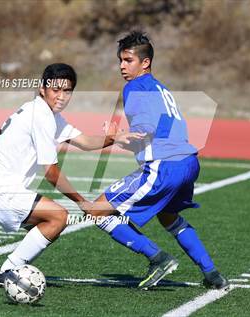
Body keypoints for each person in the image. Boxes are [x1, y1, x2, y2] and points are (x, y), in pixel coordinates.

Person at [0, 63, 143, 286]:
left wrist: (113, 139)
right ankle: (7, 271)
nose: (61, 96)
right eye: (56, 90)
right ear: (42, 89)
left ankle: (9, 269)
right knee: (58, 217)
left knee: (50, 224)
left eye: (67, 91)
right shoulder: (40, 116)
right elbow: (51, 173)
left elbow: (84, 142)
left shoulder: (45, 113)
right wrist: (83, 203)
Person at [81, 31, 229, 290]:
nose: (122, 67)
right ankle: (212, 274)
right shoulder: (161, 88)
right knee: (169, 217)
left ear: (145, 62)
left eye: (128, 60)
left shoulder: (135, 87)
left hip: (165, 166)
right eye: (120, 61)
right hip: (188, 162)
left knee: (96, 211)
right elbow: (159, 134)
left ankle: (157, 258)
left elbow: (145, 129)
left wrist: (117, 136)